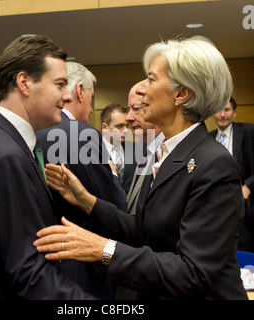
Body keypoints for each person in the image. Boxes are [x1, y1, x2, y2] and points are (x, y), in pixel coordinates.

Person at [34, 36, 248, 300]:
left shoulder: (215, 165)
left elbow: (194, 274)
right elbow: (143, 232)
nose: (142, 89)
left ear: (181, 94)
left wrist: (102, 248)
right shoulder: (164, 154)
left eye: (151, 79)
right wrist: (87, 201)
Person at [0, 35, 96, 300]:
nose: (66, 95)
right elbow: (29, 272)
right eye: (60, 84)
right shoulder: (6, 156)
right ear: (25, 83)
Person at [36, 62, 127, 299]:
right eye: (91, 97)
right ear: (79, 92)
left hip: (43, 261)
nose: (91, 108)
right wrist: (113, 173)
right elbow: (115, 208)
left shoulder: (35, 131)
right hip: (84, 265)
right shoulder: (81, 134)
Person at [210, 97, 254, 252]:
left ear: (235, 113)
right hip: (215, 208)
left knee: (243, 252)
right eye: (219, 110)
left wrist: (248, 186)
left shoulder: (249, 132)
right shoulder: (208, 138)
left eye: (227, 110)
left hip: (243, 209)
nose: (222, 115)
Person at [126, 82, 164, 216]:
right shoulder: (147, 152)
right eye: (128, 109)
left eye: (136, 108)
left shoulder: (166, 154)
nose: (128, 117)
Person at [101, 103, 137, 194]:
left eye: (127, 126)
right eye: (120, 126)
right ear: (105, 127)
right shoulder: (92, 151)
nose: (125, 130)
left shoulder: (137, 150)